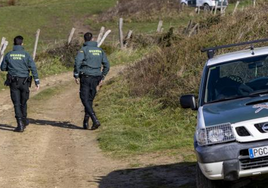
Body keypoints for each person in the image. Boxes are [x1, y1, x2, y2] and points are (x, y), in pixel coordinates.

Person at [0, 36, 40, 132]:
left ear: (14, 44)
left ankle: (20, 124)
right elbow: (33, 68)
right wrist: (37, 81)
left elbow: (2, 68)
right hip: (25, 82)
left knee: (17, 103)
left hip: (13, 82)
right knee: (24, 102)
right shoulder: (26, 55)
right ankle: (24, 119)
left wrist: (11, 68)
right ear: (22, 44)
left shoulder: (8, 55)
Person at [74, 32, 110, 130]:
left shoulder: (83, 50)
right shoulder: (100, 51)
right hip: (96, 77)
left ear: (84, 40)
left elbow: (77, 62)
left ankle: (94, 119)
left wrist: (76, 74)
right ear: (93, 39)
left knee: (84, 98)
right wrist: (103, 77)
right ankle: (86, 120)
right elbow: (107, 65)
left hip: (86, 77)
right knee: (90, 99)